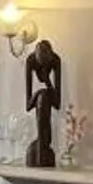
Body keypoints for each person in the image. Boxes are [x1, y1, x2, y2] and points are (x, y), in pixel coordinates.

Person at [23, 39, 64, 167]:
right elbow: (28, 106)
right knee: (42, 96)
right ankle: (41, 147)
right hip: (39, 104)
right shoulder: (30, 61)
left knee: (45, 96)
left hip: (46, 105)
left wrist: (47, 80)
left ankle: (43, 146)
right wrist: (38, 93)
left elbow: (57, 104)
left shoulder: (56, 60)